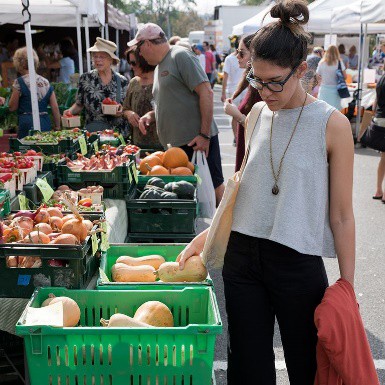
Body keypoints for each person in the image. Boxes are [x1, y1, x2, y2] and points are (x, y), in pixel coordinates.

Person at [177, 1, 355, 384]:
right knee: (247, 368)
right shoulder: (256, 114)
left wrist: (348, 286)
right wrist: (208, 234)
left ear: (302, 70)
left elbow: (342, 215)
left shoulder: (332, 125)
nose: (266, 90)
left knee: (308, 366)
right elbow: (245, 189)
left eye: (276, 81)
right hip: (242, 258)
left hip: (297, 260)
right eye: (257, 79)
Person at [128, 23, 225, 205]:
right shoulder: (158, 67)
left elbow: (206, 92)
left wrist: (204, 134)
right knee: (192, 196)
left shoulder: (180, 55)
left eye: (139, 48)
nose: (139, 54)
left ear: (147, 44)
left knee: (214, 186)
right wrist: (151, 115)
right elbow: (168, 101)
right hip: (176, 147)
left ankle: (229, 231)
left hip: (196, 142)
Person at [64, 38, 128, 133]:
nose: (98, 60)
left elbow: (128, 107)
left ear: (111, 59)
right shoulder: (86, 78)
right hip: (93, 133)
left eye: (102, 57)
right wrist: (69, 111)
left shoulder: (122, 81)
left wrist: (121, 111)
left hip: (116, 134)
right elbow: (79, 104)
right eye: (95, 56)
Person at [224, 34, 262, 171]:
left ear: (254, 55)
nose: (237, 57)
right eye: (237, 52)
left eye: (241, 53)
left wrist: (238, 116)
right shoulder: (252, 82)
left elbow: (264, 129)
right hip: (248, 155)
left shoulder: (260, 86)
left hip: (254, 161)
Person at [8, 47, 60, 139]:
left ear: (18, 63)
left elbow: (12, 107)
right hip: (44, 122)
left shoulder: (19, 82)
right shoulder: (45, 82)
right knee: (44, 149)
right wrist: (57, 126)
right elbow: (55, 107)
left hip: (27, 123)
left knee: (27, 151)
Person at [123, 47, 162, 149]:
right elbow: (125, 109)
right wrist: (129, 114)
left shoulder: (161, 81)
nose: (131, 66)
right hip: (137, 146)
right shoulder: (133, 82)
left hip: (161, 145)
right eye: (129, 63)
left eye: (133, 63)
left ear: (144, 61)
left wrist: (152, 115)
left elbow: (170, 110)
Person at [221, 48, 246, 144]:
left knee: (242, 114)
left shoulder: (248, 58)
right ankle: (236, 137)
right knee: (235, 115)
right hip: (233, 91)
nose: (238, 57)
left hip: (244, 90)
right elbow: (225, 76)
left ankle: (240, 136)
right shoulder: (229, 59)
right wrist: (223, 92)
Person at [316, 45, 347, 110]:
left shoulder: (322, 62)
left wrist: (320, 83)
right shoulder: (339, 62)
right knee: (334, 111)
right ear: (337, 52)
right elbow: (345, 76)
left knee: (323, 110)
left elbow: (317, 75)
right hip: (336, 90)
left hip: (324, 89)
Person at [371, 73, 385, 202]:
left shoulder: (381, 78)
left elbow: (375, 101)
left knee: (383, 158)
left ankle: (378, 189)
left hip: (380, 119)